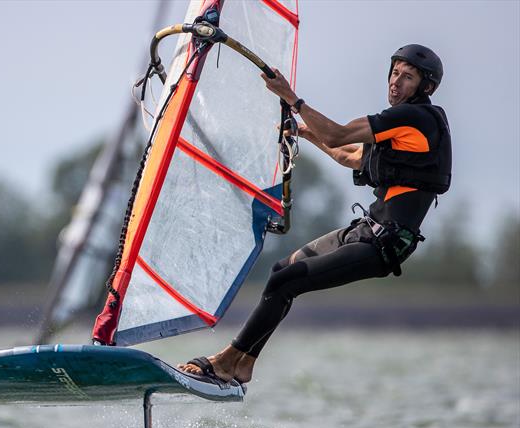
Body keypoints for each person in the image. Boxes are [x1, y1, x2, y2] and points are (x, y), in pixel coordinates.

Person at [178, 44, 452, 384]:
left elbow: (338, 133)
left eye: (407, 77)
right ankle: (243, 362)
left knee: (285, 282)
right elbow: (349, 156)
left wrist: (292, 98)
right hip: (365, 230)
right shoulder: (402, 130)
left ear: (425, 87)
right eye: (395, 73)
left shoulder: (414, 119)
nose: (396, 82)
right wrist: (306, 134)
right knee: (282, 270)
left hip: (383, 245)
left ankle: (227, 360)